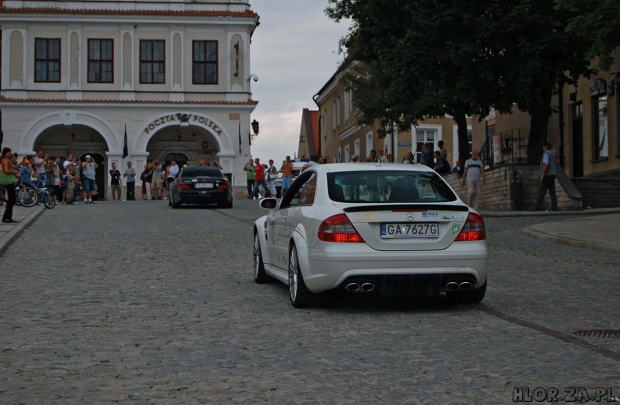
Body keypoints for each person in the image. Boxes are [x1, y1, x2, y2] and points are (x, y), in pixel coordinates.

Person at [533, 142, 558, 211]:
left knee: (542, 191)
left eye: (543, 147)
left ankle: (536, 207)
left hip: (547, 175)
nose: (543, 148)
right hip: (553, 174)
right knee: (552, 192)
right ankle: (554, 207)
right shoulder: (552, 154)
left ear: (546, 147)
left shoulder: (546, 154)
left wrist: (542, 175)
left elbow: (545, 164)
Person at [1, 147, 19, 223]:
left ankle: (7, 217)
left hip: (9, 181)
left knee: (12, 200)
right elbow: (6, 171)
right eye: (9, 152)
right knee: (11, 200)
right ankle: (6, 217)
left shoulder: (8, 160)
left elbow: (14, 167)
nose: (10, 153)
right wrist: (14, 172)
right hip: (8, 181)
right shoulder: (5, 160)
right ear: (6, 153)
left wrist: (21, 163)